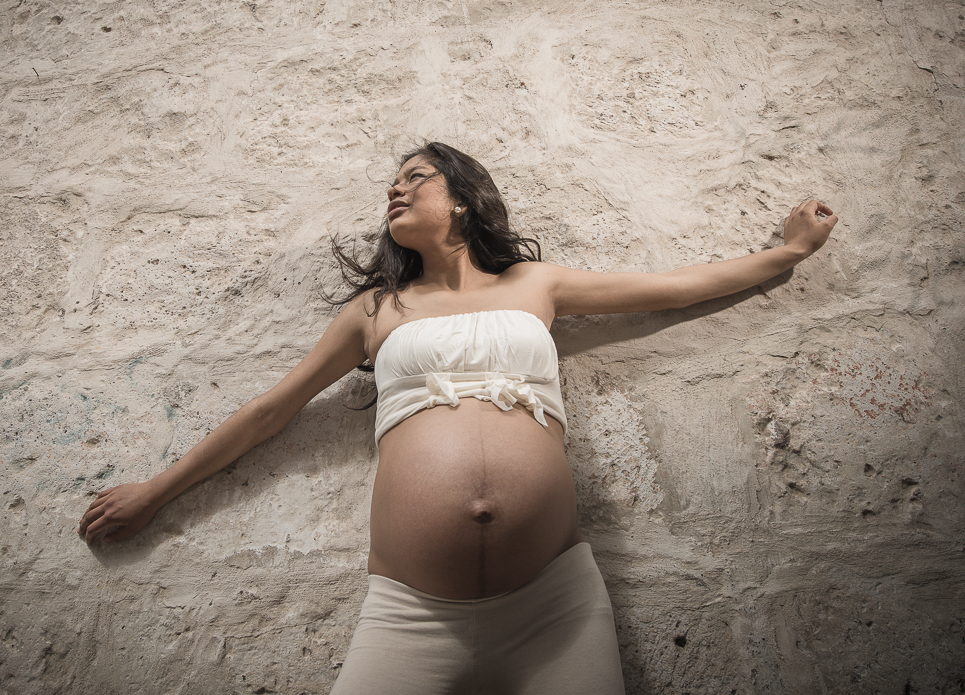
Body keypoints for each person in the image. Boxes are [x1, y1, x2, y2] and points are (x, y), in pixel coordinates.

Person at [78, 142, 838, 694]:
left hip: (555, 604)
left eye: (416, 177)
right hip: (411, 613)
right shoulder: (375, 311)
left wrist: (789, 252)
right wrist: (155, 492)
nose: (395, 189)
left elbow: (676, 286)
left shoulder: (536, 284)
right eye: (393, 183)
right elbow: (269, 411)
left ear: (464, 198)